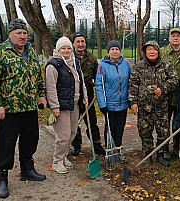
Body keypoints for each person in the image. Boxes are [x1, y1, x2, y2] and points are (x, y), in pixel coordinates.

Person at [0, 18, 47, 198]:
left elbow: (38, 77)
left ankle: (27, 169)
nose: (22, 36)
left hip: (29, 107)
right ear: (10, 35)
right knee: (6, 144)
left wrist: (41, 95)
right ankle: (2, 178)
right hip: (9, 110)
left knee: (31, 139)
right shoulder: (0, 53)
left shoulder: (32, 52)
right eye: (18, 33)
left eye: (25, 33)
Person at [128, 41, 178, 167]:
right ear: (145, 52)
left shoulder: (166, 65)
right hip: (144, 107)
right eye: (149, 49)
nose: (151, 52)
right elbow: (133, 85)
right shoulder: (138, 67)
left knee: (163, 131)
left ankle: (161, 153)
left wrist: (163, 88)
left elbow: (174, 80)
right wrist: (133, 103)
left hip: (161, 106)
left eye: (154, 49)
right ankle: (148, 154)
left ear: (158, 51)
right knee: (145, 131)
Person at [46, 37, 87, 174]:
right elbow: (50, 88)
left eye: (68, 48)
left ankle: (64, 157)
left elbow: (81, 82)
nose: (66, 50)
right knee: (63, 135)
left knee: (72, 133)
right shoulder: (53, 65)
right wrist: (54, 107)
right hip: (61, 106)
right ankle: (57, 161)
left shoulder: (75, 62)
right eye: (63, 48)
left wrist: (84, 97)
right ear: (58, 50)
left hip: (74, 103)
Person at [95, 40, 131, 162]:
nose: (115, 51)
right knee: (109, 129)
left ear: (120, 51)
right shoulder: (102, 66)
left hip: (123, 104)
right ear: (108, 51)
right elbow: (99, 86)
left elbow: (130, 82)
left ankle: (118, 152)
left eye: (117, 49)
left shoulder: (125, 64)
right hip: (109, 105)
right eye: (112, 49)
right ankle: (110, 154)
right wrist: (102, 104)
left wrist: (131, 100)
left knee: (119, 129)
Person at [71, 32, 105, 156]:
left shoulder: (91, 57)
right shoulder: (69, 57)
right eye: (78, 42)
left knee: (91, 120)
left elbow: (98, 75)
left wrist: (98, 87)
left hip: (88, 93)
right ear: (74, 43)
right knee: (74, 121)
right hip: (73, 93)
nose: (80, 44)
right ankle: (76, 145)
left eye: (82, 41)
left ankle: (96, 144)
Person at [160, 28, 180, 159]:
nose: (176, 38)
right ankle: (164, 148)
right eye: (173, 36)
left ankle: (177, 146)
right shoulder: (162, 52)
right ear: (169, 38)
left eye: (178, 36)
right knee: (164, 122)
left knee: (179, 123)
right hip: (165, 94)